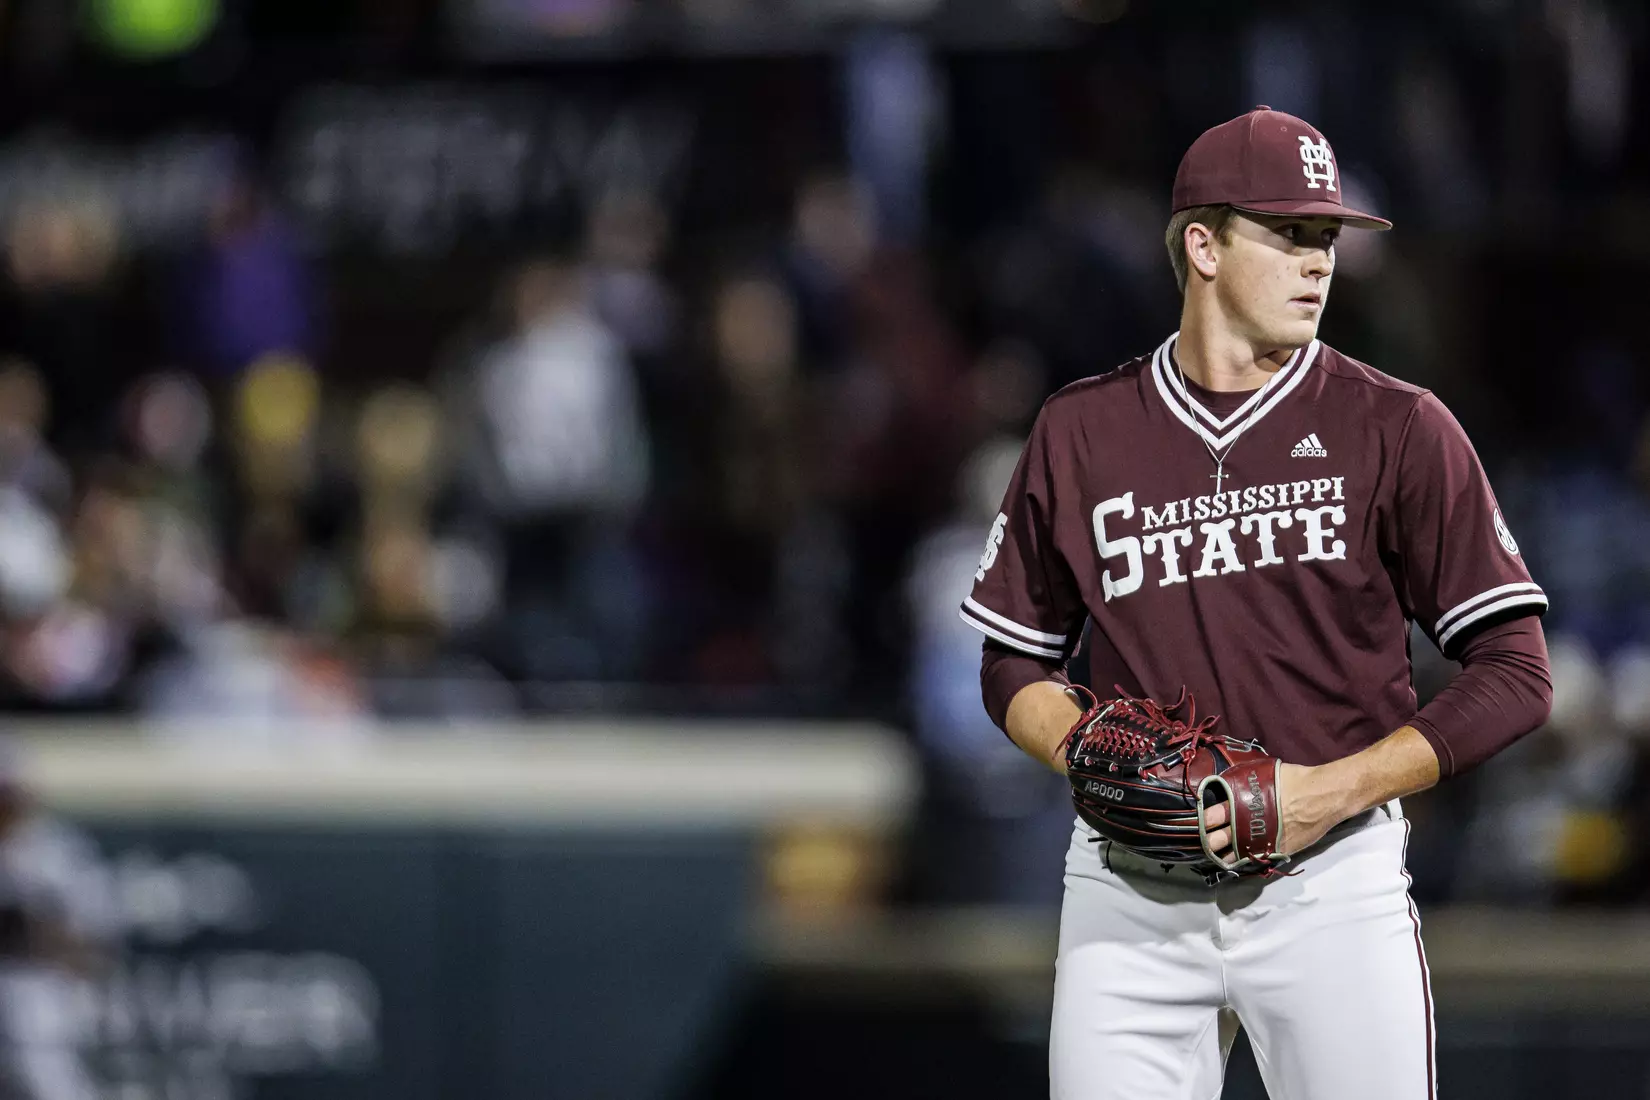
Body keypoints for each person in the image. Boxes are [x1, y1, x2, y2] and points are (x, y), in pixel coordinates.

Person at [959, 107, 1553, 1099]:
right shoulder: (1082, 430)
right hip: (1131, 895)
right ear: (1203, 244)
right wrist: (1086, 749)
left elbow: (1519, 673)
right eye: (1288, 234)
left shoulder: (1398, 425)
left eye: (1326, 237)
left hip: (1332, 887)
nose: (1316, 261)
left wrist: (1328, 790)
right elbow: (1013, 660)